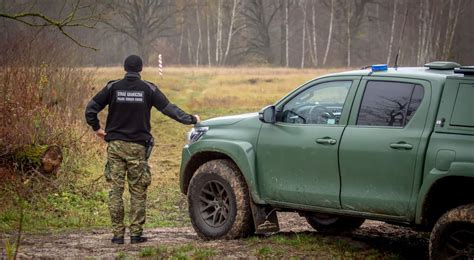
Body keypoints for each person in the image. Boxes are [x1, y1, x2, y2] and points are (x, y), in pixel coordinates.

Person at [85, 55, 200, 244]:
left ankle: (117, 235)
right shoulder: (148, 88)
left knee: (116, 190)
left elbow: (91, 108)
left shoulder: (112, 87)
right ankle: (136, 234)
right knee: (138, 191)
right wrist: (191, 119)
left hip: (115, 146)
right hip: (138, 147)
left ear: (124, 68)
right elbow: (169, 109)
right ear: (141, 69)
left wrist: (97, 128)